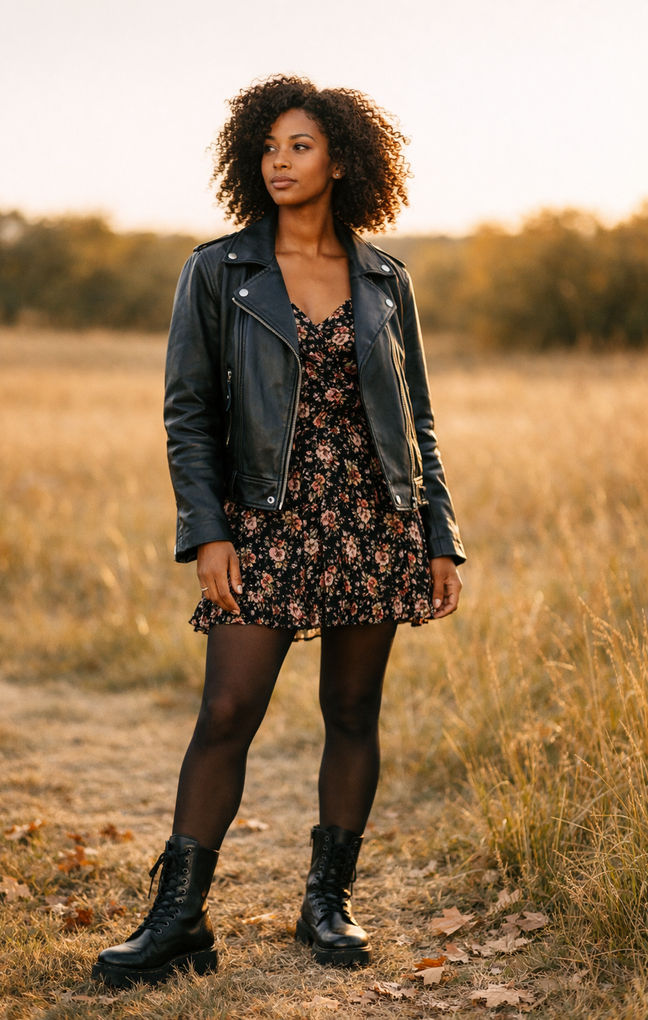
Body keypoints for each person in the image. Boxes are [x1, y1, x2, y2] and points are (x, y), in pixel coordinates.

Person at [92, 74, 465, 989]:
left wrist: (439, 535)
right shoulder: (219, 269)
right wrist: (207, 531)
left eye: (300, 147)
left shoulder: (385, 279)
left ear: (341, 160)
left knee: (353, 712)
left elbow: (416, 419)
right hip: (263, 521)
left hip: (371, 518)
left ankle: (327, 902)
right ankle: (179, 918)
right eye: (269, 148)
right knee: (227, 711)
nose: (280, 163)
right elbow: (187, 412)